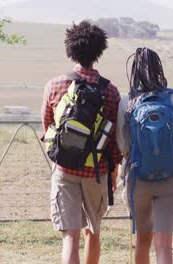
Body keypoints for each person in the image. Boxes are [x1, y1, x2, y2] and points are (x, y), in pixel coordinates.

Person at [41, 21, 122, 264]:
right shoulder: (110, 91)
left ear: (71, 49)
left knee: (70, 237)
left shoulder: (55, 85)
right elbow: (114, 139)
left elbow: (47, 128)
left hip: (64, 168)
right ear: (98, 52)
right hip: (96, 171)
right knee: (93, 232)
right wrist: (114, 172)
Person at [116, 47, 173, 264]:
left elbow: (123, 146)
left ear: (134, 71)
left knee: (142, 243)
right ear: (159, 69)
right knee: (164, 246)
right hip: (170, 178)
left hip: (139, 180)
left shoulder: (126, 102)